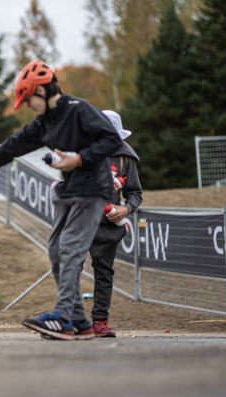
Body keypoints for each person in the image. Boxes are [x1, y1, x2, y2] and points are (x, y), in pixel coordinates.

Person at [0, 60, 122, 340]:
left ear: (42, 90)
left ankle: (63, 317)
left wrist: (81, 158)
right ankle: (78, 321)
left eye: (29, 100)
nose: (28, 106)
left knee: (71, 247)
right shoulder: (43, 124)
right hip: (68, 188)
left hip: (92, 189)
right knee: (55, 250)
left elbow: (112, 139)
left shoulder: (79, 110)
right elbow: (9, 148)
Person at [89, 110, 142, 338]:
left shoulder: (126, 159)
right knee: (68, 266)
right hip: (81, 219)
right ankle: (68, 318)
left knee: (104, 273)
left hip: (108, 226)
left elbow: (135, 193)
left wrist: (125, 209)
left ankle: (100, 322)